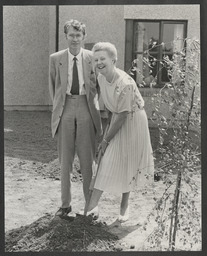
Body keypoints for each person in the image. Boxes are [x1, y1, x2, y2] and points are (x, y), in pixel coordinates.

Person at [86, 42, 154, 222]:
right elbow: (110, 110)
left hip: (133, 120)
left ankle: (125, 206)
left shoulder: (125, 83)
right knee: (106, 160)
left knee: (128, 161)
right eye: (96, 59)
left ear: (113, 60)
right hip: (118, 118)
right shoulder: (101, 78)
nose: (99, 62)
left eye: (103, 59)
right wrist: (106, 133)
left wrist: (106, 140)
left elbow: (123, 114)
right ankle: (90, 210)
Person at [49, 19, 102, 217]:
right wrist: (60, 107)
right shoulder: (56, 58)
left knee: (87, 159)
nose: (74, 39)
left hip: (86, 107)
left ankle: (90, 206)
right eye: (71, 35)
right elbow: (53, 87)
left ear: (83, 37)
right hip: (65, 107)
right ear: (66, 36)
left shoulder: (92, 58)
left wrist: (97, 109)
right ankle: (65, 205)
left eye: (78, 35)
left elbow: (98, 86)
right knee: (65, 159)